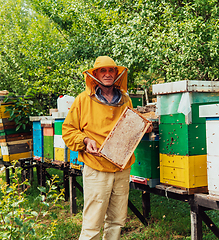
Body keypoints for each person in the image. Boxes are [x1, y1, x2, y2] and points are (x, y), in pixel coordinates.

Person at [62, 56, 147, 240]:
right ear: (95, 75)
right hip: (96, 167)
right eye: (103, 70)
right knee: (93, 223)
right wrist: (85, 140)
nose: (108, 74)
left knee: (117, 221)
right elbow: (68, 131)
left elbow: (129, 127)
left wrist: (141, 127)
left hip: (121, 168)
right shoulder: (83, 100)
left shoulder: (125, 99)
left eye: (111, 70)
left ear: (117, 74)